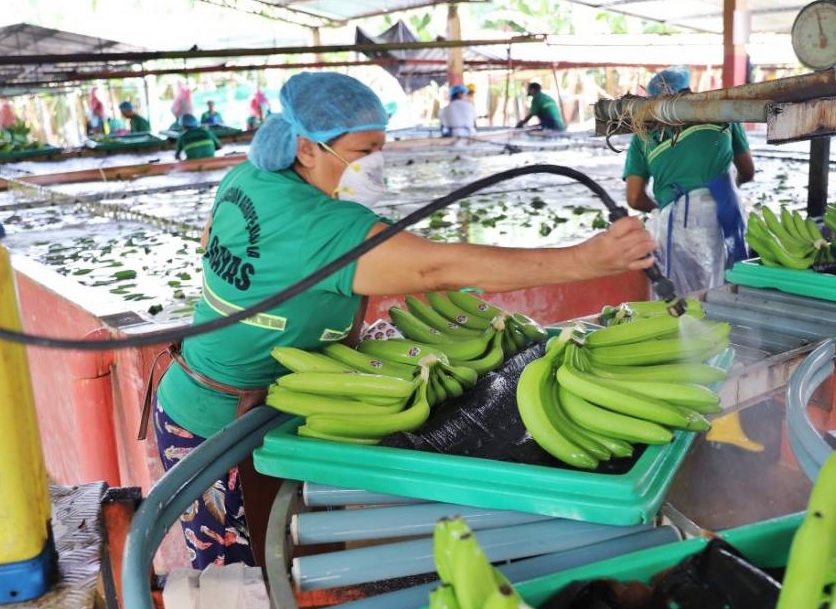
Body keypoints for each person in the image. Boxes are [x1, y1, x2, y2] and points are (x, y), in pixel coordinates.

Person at [149, 71, 655, 568]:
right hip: (220, 428)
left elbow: (211, 236)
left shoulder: (251, 176)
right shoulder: (321, 226)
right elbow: (436, 268)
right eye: (363, 152)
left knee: (282, 551)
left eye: (380, 148)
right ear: (307, 148)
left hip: (199, 393)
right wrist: (583, 262)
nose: (377, 164)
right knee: (247, 576)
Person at [623, 67, 761, 451]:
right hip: (727, 213)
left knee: (679, 307)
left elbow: (634, 198)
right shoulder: (718, 113)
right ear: (690, 91)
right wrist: (717, 187)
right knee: (721, 298)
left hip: (679, 221)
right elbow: (746, 171)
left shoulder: (645, 132)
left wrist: (665, 206)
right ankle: (721, 405)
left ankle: (687, 405)